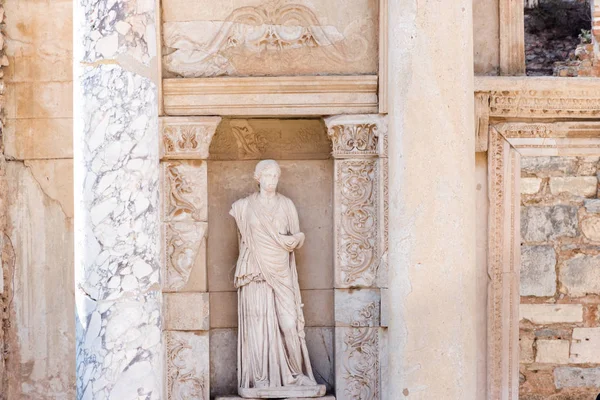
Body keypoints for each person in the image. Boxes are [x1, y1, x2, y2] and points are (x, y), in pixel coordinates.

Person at [229, 160, 318, 394]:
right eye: (267, 176)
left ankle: (295, 375)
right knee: (258, 324)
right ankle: (260, 378)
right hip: (255, 270)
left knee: (289, 324)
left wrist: (296, 239)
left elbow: (295, 236)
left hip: (281, 270)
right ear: (257, 178)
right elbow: (243, 240)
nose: (272, 181)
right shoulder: (242, 207)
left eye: (275, 176)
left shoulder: (287, 205)